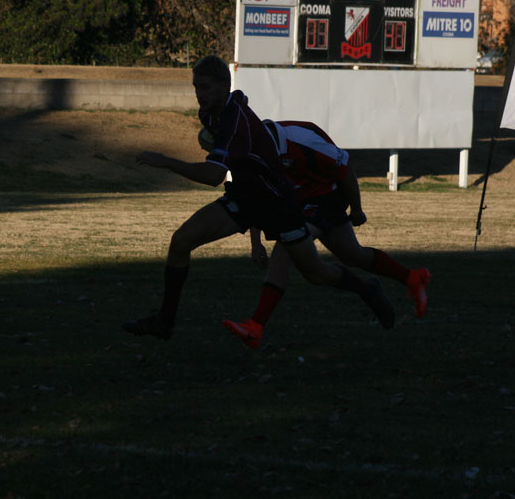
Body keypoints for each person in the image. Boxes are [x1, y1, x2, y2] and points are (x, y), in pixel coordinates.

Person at [121, 55, 394, 341]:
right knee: (181, 240)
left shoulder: (234, 120)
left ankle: (367, 289)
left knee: (315, 273)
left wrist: (166, 161)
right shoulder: (211, 114)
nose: (199, 94)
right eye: (196, 88)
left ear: (224, 86)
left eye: (205, 87)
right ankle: (165, 322)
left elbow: (214, 175)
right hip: (245, 198)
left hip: (278, 205)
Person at [217, 119, 430, 350]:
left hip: (326, 197)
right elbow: (257, 197)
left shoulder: (299, 139)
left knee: (285, 248)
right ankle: (403, 280)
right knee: (340, 261)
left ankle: (256, 327)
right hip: (299, 203)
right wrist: (255, 242)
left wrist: (357, 209)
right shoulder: (256, 152)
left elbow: (345, 168)